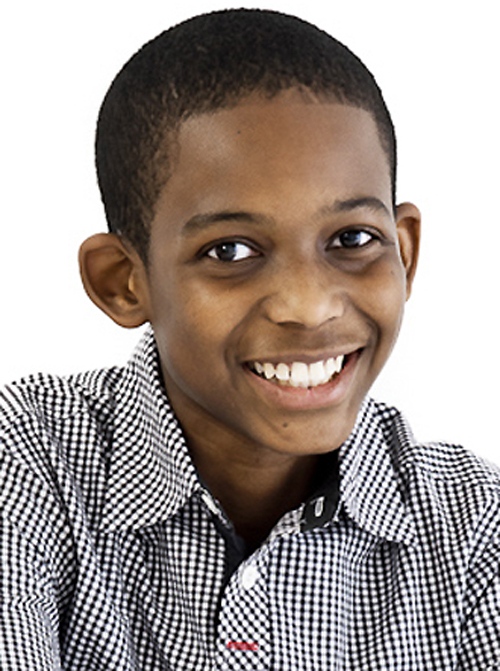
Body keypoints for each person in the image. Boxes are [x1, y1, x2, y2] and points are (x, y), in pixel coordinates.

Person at [1, 8, 499, 670]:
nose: (309, 306)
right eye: (231, 250)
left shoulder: (471, 528)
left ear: (404, 254)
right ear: (123, 282)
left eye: (352, 239)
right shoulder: (30, 463)